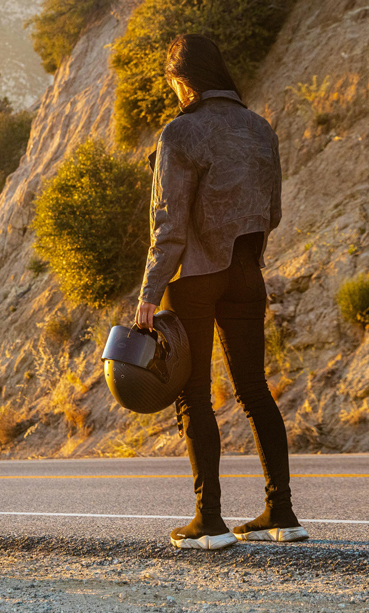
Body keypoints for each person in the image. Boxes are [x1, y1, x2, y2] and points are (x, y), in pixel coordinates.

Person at [134, 34, 308, 550]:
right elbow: (271, 211)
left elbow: (168, 224)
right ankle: (283, 513)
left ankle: (208, 523)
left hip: (194, 279)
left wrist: (149, 291)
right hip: (246, 271)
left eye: (172, 84)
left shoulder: (180, 133)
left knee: (194, 396)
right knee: (255, 391)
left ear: (182, 80)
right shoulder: (260, 129)